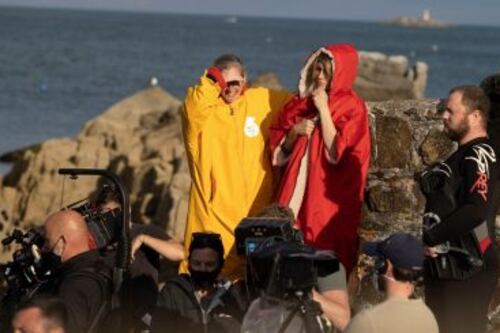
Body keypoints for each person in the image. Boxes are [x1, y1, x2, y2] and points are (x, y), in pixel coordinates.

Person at [181, 54, 293, 279]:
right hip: (214, 217)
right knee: (210, 280)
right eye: (223, 84)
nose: (229, 89)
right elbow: (193, 107)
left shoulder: (261, 101)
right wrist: (212, 80)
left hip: (257, 216)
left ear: (245, 79)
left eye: (235, 83)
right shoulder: (203, 116)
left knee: (256, 280)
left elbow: (298, 103)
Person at [269, 44, 371, 276]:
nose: (320, 76)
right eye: (317, 69)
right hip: (294, 190)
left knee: (323, 253)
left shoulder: (351, 106)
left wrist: (324, 110)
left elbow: (340, 152)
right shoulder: (297, 104)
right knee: (286, 248)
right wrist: (294, 132)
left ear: (339, 73)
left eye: (326, 71)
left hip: (324, 197)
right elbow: (279, 151)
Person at [422, 85, 498, 333]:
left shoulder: (480, 153)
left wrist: (432, 237)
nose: (444, 116)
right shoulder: (463, 155)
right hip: (449, 269)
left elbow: (476, 210)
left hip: (466, 269)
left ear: (475, 116)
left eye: (450, 111)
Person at [252, 204, 351, 331]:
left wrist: (304, 290)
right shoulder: (256, 267)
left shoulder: (323, 264)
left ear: (295, 235)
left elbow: (343, 320)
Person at [35, 210, 112, 333]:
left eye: (47, 241)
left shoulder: (74, 286)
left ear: (62, 242)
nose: (44, 248)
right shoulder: (103, 269)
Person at [345, 233, 438, 333]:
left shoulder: (367, 322)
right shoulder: (428, 318)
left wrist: (346, 300)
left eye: (379, 261)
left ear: (387, 267)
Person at [153, 232, 244, 333]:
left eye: (209, 264)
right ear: (189, 264)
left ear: (221, 265)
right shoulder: (173, 292)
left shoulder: (232, 297)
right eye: (197, 263)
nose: (202, 269)